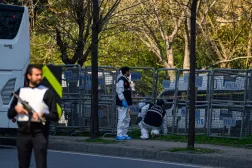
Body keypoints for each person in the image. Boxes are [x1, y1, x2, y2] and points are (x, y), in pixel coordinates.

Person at [8, 64, 59, 168]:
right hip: (23, 133)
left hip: (40, 133)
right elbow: (9, 114)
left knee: (41, 165)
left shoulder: (47, 92)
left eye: (41, 75)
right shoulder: (20, 92)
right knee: (23, 165)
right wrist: (15, 109)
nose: (40, 77)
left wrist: (43, 115)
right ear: (29, 76)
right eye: (37, 75)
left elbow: (55, 116)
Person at [116, 66, 132, 140]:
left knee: (127, 118)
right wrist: (122, 100)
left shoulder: (125, 79)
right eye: (129, 71)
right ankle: (119, 134)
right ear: (126, 72)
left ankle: (124, 133)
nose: (129, 72)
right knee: (122, 118)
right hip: (122, 102)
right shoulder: (121, 80)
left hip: (126, 102)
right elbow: (119, 91)